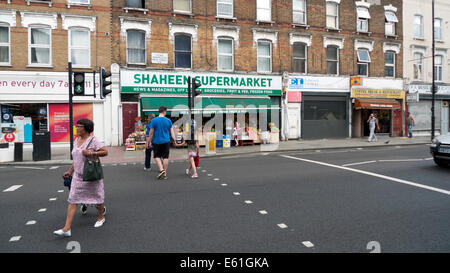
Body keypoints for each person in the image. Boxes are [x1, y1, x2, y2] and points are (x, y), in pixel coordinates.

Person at [54, 119, 108, 237]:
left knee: (98, 197)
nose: (77, 128)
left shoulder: (93, 140)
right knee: (73, 199)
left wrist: (91, 153)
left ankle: (100, 217)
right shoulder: (76, 140)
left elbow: (105, 152)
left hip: (91, 175)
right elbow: (76, 159)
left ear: (86, 128)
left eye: (79, 126)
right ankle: (66, 228)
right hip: (78, 176)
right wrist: (70, 171)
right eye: (77, 126)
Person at [147, 106, 177, 180]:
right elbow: (172, 132)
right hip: (166, 141)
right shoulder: (168, 120)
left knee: (156, 156)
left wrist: (149, 141)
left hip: (156, 141)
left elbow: (151, 132)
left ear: (159, 111)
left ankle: (161, 170)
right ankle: (165, 173)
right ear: (164, 112)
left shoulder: (154, 120)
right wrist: (174, 140)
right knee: (165, 157)